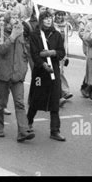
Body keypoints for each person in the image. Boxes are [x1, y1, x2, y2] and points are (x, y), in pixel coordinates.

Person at [0, 11, 34, 141]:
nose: (16, 20)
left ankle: (23, 131)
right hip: (3, 75)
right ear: (7, 20)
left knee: (20, 103)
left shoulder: (22, 34)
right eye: (13, 18)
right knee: (1, 103)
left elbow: (25, 54)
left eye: (18, 17)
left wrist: (23, 71)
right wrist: (12, 36)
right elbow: (1, 50)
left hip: (17, 76)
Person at [27, 11, 66, 142]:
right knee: (36, 99)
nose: (48, 21)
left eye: (50, 18)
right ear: (41, 20)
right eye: (45, 18)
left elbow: (61, 52)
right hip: (40, 72)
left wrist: (52, 52)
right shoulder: (35, 35)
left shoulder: (57, 35)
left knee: (55, 100)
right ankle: (28, 121)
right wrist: (43, 64)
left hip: (53, 71)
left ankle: (55, 130)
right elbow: (34, 53)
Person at [53, 11, 73, 106]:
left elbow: (66, 41)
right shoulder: (52, 25)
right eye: (58, 15)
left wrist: (66, 54)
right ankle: (64, 92)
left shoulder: (65, 26)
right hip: (54, 52)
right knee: (57, 73)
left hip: (62, 53)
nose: (60, 17)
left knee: (60, 72)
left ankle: (63, 92)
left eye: (62, 15)